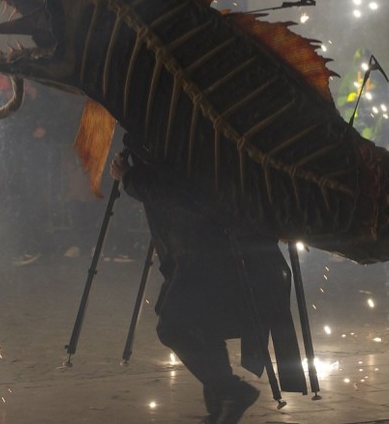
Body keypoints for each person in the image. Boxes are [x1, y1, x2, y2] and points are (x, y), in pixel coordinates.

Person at [110, 142, 305, 424]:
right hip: (201, 251)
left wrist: (130, 177)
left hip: (208, 253)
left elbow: (182, 194)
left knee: (173, 326)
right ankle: (221, 408)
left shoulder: (186, 139)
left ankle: (232, 393)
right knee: (202, 326)